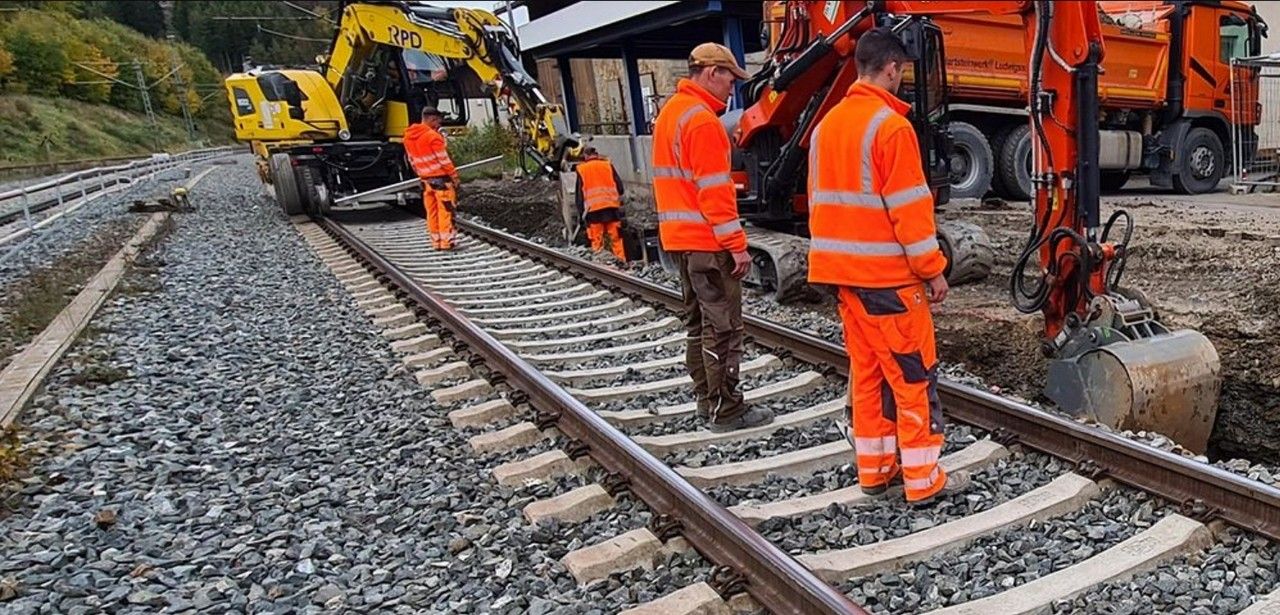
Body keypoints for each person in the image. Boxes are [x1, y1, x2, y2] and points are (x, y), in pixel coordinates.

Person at [807, 27, 970, 505]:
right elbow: (910, 211)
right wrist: (933, 268)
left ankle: (875, 472)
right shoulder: (891, 128)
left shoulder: (826, 127)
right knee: (913, 378)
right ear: (892, 69)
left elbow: (823, 204)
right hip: (889, 282)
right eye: (902, 72)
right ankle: (923, 481)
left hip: (845, 280)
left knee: (869, 375)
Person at [652, 43, 773, 433]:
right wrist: (737, 245)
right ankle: (727, 411)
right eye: (728, 79)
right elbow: (715, 192)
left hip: (681, 240)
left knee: (698, 324)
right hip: (708, 242)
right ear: (709, 73)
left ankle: (707, 402)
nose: (732, 89)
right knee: (722, 328)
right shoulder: (702, 121)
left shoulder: (671, 114)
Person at [403, 107, 459, 250]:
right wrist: (454, 176)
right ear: (432, 119)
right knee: (446, 211)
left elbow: (412, 161)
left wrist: (422, 174)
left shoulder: (408, 137)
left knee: (431, 212)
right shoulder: (433, 137)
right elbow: (443, 160)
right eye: (437, 122)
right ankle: (447, 242)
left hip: (426, 181)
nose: (438, 125)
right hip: (441, 181)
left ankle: (436, 241)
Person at [574, 147, 628, 261]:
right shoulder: (607, 165)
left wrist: (580, 214)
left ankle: (599, 264)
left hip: (593, 211)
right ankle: (622, 262)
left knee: (596, 240)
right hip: (611, 209)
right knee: (616, 239)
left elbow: (579, 195)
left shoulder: (582, 169)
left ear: (585, 156)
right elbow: (620, 188)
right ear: (597, 155)